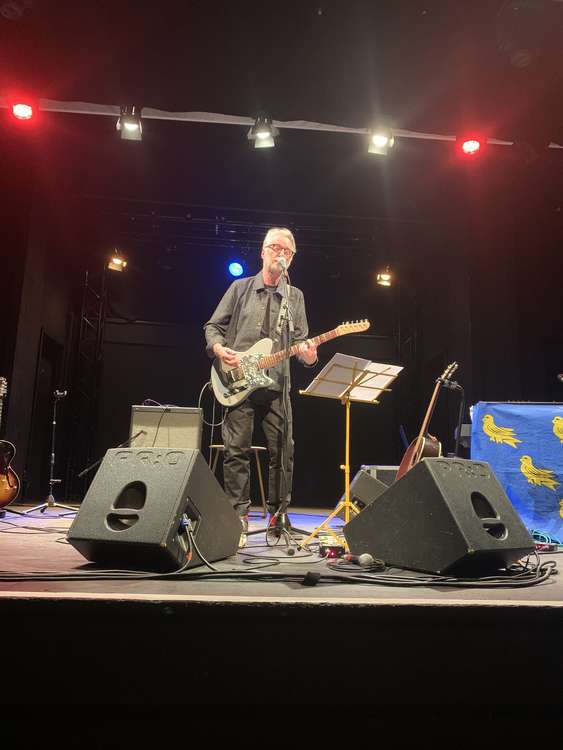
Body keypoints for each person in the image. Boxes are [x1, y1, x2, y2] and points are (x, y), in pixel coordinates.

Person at [204, 227, 318, 546]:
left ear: (292, 259)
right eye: (276, 248)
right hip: (237, 381)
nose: (281, 255)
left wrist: (309, 355)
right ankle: (237, 516)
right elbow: (214, 326)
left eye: (288, 252)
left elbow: (301, 344)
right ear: (263, 251)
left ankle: (277, 516)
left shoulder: (295, 296)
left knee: (283, 452)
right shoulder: (240, 288)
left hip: (277, 384)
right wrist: (218, 349)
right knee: (236, 449)